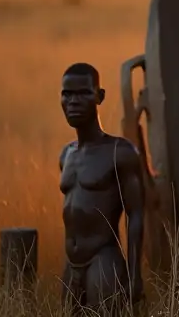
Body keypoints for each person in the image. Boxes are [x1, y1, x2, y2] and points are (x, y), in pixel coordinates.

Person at [58, 62, 145, 314]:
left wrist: (134, 274)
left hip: (102, 259)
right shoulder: (67, 155)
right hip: (71, 262)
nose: (73, 101)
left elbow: (136, 214)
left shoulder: (120, 152)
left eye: (83, 93)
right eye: (67, 94)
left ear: (100, 96)